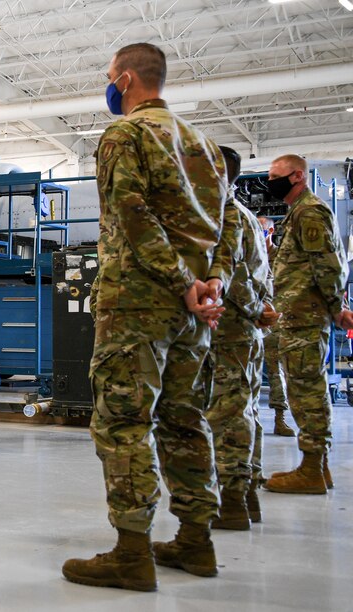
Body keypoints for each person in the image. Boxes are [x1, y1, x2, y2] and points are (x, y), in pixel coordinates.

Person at [61, 43, 233, 592]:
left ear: (128, 78)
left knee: (123, 422)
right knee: (185, 418)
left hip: (138, 305)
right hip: (192, 315)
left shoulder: (126, 136)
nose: (108, 85)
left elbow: (131, 218)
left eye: (110, 77)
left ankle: (132, 553)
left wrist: (182, 284)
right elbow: (224, 231)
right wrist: (210, 286)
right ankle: (196, 541)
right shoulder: (204, 145)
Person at [264, 154, 353, 494]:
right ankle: (318, 467)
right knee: (305, 390)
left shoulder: (310, 212)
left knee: (307, 393)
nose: (271, 181)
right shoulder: (298, 212)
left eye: (276, 175)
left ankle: (312, 468)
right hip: (297, 316)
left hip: (305, 318)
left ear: (297, 176)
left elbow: (328, 265)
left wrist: (336, 307)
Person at [203, 146, 279, 530]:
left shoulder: (224, 216)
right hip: (245, 329)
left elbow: (229, 276)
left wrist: (252, 310)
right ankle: (247, 491)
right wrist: (262, 308)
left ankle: (232, 500)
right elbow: (263, 276)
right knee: (245, 409)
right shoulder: (248, 216)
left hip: (230, 328)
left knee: (227, 413)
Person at [258, 215, 295, 437]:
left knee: (275, 373)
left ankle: (280, 418)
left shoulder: (282, 257)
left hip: (275, 321)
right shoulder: (248, 252)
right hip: (250, 319)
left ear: (270, 232)